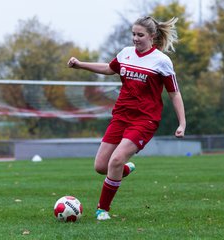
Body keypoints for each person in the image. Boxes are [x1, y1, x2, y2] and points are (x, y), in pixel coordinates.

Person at [67, 16, 186, 220]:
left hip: (145, 120)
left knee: (115, 160)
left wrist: (182, 123)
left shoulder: (162, 61)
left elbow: (174, 93)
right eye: (133, 34)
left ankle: (102, 210)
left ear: (152, 36)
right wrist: (80, 65)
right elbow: (108, 68)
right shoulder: (125, 54)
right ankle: (125, 169)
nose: (135, 39)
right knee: (101, 167)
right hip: (121, 116)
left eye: (140, 35)